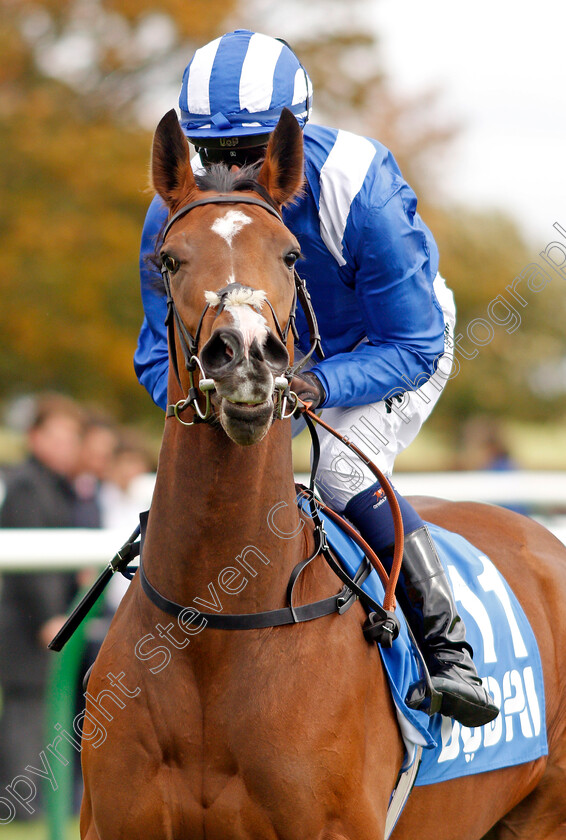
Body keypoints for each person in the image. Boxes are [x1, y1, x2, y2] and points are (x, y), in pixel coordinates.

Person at [134, 30, 497, 727]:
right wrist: (209, 402)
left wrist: (315, 387)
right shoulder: (173, 215)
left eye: (252, 154)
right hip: (252, 350)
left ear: (290, 143)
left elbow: (412, 344)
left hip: (386, 345)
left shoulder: (361, 188)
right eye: (216, 155)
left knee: (336, 476)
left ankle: (448, 650)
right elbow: (158, 357)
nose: (232, 174)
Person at [0, 393, 84, 815]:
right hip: (27, 626)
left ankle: (40, 807)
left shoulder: (55, 485)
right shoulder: (27, 485)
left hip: (49, 623)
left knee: (45, 714)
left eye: (73, 438)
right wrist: (50, 617)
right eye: (60, 436)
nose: (68, 446)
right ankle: (19, 810)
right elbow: (30, 564)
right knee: (25, 717)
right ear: (35, 437)